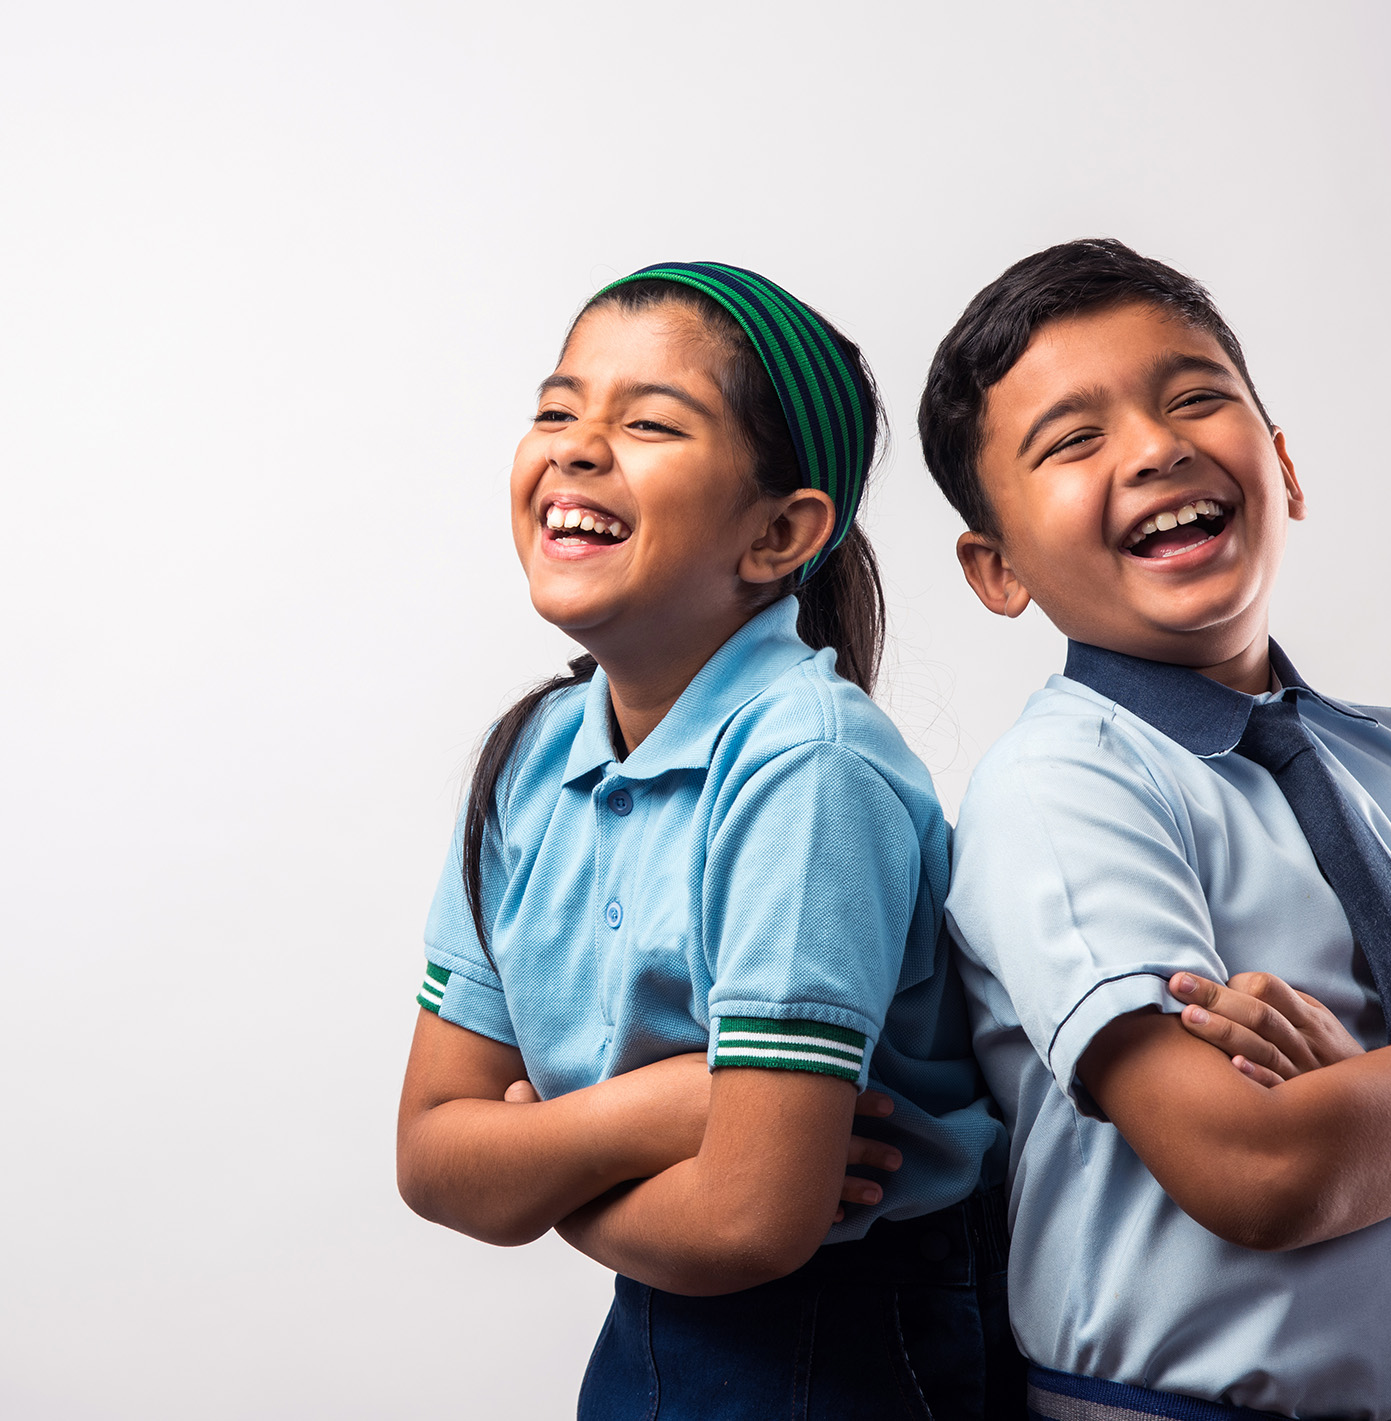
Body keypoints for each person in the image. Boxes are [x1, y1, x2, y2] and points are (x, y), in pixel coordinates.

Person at [919, 239, 1391, 1421]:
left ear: (1282, 465)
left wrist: (1370, 1110)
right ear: (996, 568)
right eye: (1072, 439)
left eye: (1194, 397)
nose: (1154, 445)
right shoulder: (1061, 788)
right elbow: (1257, 1170)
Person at [396, 261, 1019, 1420]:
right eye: (556, 408)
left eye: (646, 422)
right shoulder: (527, 755)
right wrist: (658, 1112)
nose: (577, 447)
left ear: (779, 533)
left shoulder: (807, 764)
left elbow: (746, 1220)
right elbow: (432, 1157)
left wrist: (541, 1179)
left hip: (854, 1341)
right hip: (652, 1324)